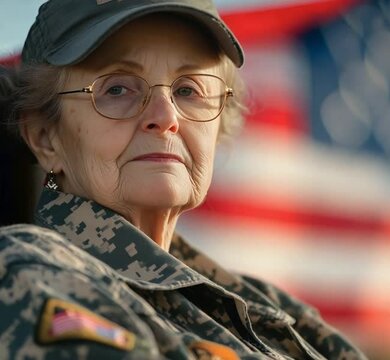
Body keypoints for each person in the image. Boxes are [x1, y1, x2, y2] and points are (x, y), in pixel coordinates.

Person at [0, 0, 367, 359]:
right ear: (46, 138)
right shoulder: (29, 273)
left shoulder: (275, 310)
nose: (165, 116)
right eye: (116, 89)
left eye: (188, 90)